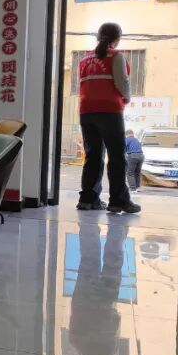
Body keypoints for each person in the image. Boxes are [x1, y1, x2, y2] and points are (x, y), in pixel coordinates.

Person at [76, 22, 140, 213]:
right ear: (117, 38)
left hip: (86, 111)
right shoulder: (116, 56)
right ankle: (118, 201)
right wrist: (127, 98)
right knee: (117, 156)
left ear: (99, 36)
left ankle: (88, 199)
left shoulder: (84, 59)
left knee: (93, 155)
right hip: (109, 111)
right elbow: (122, 81)